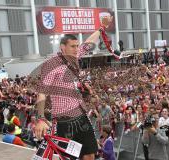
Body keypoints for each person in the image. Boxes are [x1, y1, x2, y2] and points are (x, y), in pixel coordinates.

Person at [32, 16, 113, 160]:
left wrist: (101, 29)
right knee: (71, 157)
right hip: (64, 121)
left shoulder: (74, 58)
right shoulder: (51, 66)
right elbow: (42, 94)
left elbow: (88, 43)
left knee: (89, 155)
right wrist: (40, 119)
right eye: (73, 46)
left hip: (81, 116)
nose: (77, 49)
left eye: (77, 46)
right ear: (62, 47)